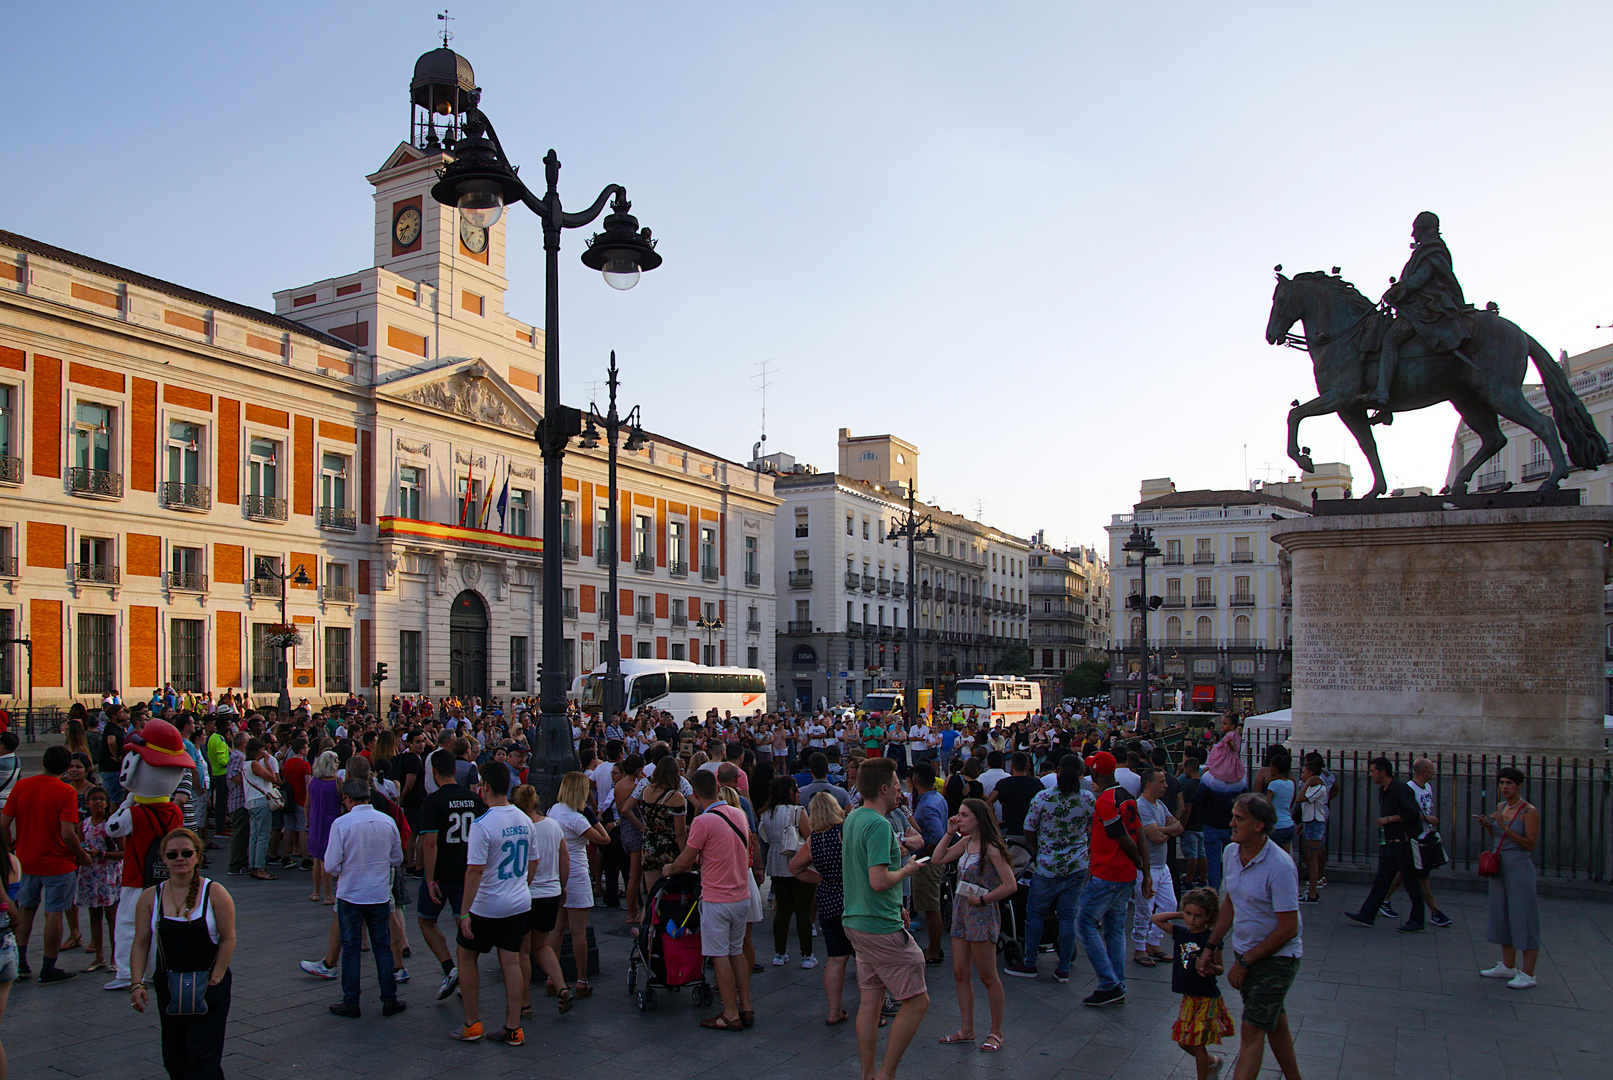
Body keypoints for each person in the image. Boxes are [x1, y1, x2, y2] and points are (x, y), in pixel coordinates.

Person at [1201, 794, 1304, 1080]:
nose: (1231, 823)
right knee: (1272, 1019)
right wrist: (1212, 944)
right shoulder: (1231, 853)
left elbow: (1288, 928)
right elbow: (1230, 902)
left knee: (1252, 1029)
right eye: (1233, 815)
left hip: (1277, 958)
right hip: (1246, 952)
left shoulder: (1280, 866)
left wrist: (1245, 962)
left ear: (1259, 826)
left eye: (1239, 818)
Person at [841, 757, 930, 1080]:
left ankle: (868, 1074)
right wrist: (908, 869)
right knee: (917, 1001)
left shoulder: (853, 818)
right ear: (883, 789)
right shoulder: (879, 825)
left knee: (871, 1001)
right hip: (879, 926)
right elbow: (878, 880)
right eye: (895, 784)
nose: (899, 789)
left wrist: (897, 904)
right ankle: (885, 1074)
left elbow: (864, 876)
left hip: (856, 921)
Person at [128, 828, 237, 1080]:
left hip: (209, 985)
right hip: (169, 985)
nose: (180, 858)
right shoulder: (149, 897)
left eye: (187, 853)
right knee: (175, 1056)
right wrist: (136, 983)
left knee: (203, 1058)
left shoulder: (215, 892)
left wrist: (216, 978)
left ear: (197, 856)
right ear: (163, 859)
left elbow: (228, 939)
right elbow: (141, 942)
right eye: (173, 854)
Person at [666, 768, 755, 1032]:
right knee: (736, 950)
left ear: (694, 793)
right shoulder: (738, 813)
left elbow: (686, 860)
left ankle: (729, 1013)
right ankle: (746, 1006)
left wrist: (669, 869)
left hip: (717, 897)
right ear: (718, 787)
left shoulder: (704, 821)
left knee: (719, 955)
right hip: (741, 895)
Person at [451, 761, 532, 1045]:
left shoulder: (483, 824)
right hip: (518, 900)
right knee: (511, 960)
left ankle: (472, 1023)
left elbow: (474, 870)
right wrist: (522, 885)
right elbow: (532, 862)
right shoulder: (524, 819)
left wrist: (464, 912)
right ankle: (513, 1027)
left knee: (467, 955)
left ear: (484, 786)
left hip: (488, 903)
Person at [1, 744, 91, 983]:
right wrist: (82, 856)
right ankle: (48, 966)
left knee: (26, 910)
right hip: (58, 862)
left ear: (43, 762)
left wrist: (11, 845)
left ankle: (20, 961)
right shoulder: (65, 792)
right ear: (64, 768)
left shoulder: (22, 786)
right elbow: (67, 834)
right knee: (54, 914)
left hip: (27, 859)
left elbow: (3, 824)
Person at [932, 798, 1015, 1053]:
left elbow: (1009, 884)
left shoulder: (991, 848)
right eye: (958, 814)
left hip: (980, 911)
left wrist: (983, 899)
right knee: (960, 971)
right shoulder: (966, 843)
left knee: (987, 975)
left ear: (978, 818)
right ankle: (966, 1029)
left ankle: (996, 1031)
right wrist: (948, 833)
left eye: (964, 815)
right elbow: (937, 859)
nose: (960, 819)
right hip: (961, 910)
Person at [1367, 210, 1467, 416]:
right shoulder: (1427, 250)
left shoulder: (1433, 249)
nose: (1413, 235)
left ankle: (1382, 393)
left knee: (1390, 340)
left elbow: (1422, 277)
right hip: (1417, 304)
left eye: (1416, 230)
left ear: (1426, 229)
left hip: (1427, 307)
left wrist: (1399, 290)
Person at [324, 778, 406, 1019]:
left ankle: (351, 1001)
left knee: (350, 949)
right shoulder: (387, 821)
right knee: (382, 947)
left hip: (351, 893)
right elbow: (397, 859)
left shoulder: (342, 824)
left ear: (348, 799)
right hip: (379, 893)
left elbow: (331, 864)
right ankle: (389, 998)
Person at [1007, 756, 1093, 981]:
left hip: (1047, 866)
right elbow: (1094, 826)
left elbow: (1029, 829)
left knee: (1035, 913)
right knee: (1067, 917)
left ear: (1057, 770)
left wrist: (1040, 847)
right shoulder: (1088, 799)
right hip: (1077, 867)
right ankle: (1063, 967)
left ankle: (1030, 962)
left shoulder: (1043, 798)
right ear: (1081, 772)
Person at [1075, 751, 1146, 1007]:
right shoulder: (1127, 796)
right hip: (1125, 875)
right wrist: (1142, 871)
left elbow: (1122, 837)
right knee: (1115, 929)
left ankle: (1108, 983)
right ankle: (1118, 983)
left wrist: (1138, 861)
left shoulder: (1105, 800)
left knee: (1084, 923)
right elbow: (1141, 834)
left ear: (1094, 773)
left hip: (1108, 873)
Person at [417, 749, 485, 1003]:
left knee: (426, 919)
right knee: (464, 923)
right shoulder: (473, 799)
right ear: (455, 770)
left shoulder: (433, 801)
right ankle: (466, 971)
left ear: (434, 772)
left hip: (442, 871)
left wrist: (430, 878)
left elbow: (430, 843)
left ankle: (450, 968)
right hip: (467, 870)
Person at [1151, 888, 1234, 1080]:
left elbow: (1220, 967)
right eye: (1189, 914)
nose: (1192, 920)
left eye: (1198, 916)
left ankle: (1204, 1075)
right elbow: (1157, 919)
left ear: (1208, 917)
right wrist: (1182, 913)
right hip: (1189, 996)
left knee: (1197, 1043)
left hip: (1206, 996)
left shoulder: (1211, 939)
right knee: (1184, 1041)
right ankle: (1211, 1063)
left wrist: (1212, 968)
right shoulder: (1180, 932)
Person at [788, 792, 852, 1024]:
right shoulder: (844, 833)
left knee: (835, 958)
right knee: (864, 959)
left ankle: (834, 1011)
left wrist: (822, 879)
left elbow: (795, 868)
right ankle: (872, 1012)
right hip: (851, 901)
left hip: (827, 901)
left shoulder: (813, 840)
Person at [510, 784, 573, 1017]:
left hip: (526, 894)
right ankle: (562, 987)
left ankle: (525, 1003)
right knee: (542, 945)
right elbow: (564, 858)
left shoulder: (517, 828)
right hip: (550, 892)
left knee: (523, 951)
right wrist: (562, 885)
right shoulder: (552, 825)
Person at [1344, 757, 1426, 933]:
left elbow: (1412, 813)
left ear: (1382, 772)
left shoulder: (1400, 789)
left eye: (1373, 771)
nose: (1370, 774)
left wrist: (1389, 819)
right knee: (1381, 881)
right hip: (1389, 843)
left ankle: (1418, 920)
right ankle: (1367, 914)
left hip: (1403, 843)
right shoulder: (1384, 790)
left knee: (1411, 882)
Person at [546, 772, 609, 1000]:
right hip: (577, 872)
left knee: (557, 928)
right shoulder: (577, 818)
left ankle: (552, 978)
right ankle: (581, 980)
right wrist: (592, 816)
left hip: (557, 872)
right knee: (578, 931)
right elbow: (604, 839)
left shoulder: (554, 810)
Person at [1477, 766, 1540, 989]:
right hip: (1499, 865)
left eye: (1509, 784)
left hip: (1519, 866)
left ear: (1519, 785)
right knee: (1501, 912)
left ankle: (1529, 973)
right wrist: (1489, 826)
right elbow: (1498, 836)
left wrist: (1504, 826)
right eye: (1502, 783)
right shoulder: (1501, 806)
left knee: (1523, 916)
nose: (1505, 787)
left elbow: (1529, 844)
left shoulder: (1528, 811)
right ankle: (1508, 965)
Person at [759, 776, 813, 968]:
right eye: (795, 789)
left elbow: (764, 839)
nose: (798, 792)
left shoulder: (766, 814)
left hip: (776, 863)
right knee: (803, 911)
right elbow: (809, 838)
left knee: (782, 910)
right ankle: (807, 954)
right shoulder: (798, 812)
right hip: (799, 863)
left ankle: (779, 953)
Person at [1133, 767, 1184, 967]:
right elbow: (1156, 837)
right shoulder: (1142, 806)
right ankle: (1139, 947)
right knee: (1144, 908)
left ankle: (1153, 941)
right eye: (1162, 782)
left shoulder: (1160, 805)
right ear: (1149, 784)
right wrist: (1164, 832)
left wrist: (1161, 830)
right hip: (1149, 867)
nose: (1166, 785)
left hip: (1162, 867)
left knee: (1170, 905)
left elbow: (1176, 828)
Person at [906, 762, 948, 966]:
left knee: (931, 906)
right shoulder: (937, 797)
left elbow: (938, 835)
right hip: (933, 859)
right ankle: (934, 947)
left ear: (914, 781)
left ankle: (934, 949)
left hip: (929, 861)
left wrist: (927, 853)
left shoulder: (927, 805)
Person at [629, 757, 688, 897]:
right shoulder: (675, 797)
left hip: (649, 844)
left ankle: (652, 918)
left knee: (653, 894)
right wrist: (686, 855)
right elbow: (679, 833)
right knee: (674, 894)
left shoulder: (645, 791)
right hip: (669, 845)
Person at [78, 788, 122, 972]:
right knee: (94, 915)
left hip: (108, 873)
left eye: (101, 799)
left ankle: (114, 957)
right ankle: (98, 957)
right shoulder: (83, 825)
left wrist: (102, 853)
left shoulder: (112, 825)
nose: (97, 802)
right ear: (87, 802)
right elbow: (79, 845)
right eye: (93, 799)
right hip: (90, 873)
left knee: (112, 916)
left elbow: (124, 852)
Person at [241, 739, 278, 881]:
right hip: (261, 801)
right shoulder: (254, 764)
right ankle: (260, 867)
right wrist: (268, 763)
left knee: (254, 835)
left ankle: (253, 865)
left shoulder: (245, 765)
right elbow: (272, 777)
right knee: (263, 835)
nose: (265, 752)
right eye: (263, 749)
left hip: (250, 801)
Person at [985, 752, 1042, 837]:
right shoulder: (1036, 783)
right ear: (1028, 766)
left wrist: (993, 822)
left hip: (1011, 830)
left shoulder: (1004, 783)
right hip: (1032, 829)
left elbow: (989, 801)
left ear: (1011, 766)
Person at [1177, 752, 1207, 890]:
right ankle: (1202, 879)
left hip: (1191, 825)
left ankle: (1188, 881)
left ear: (1189, 769)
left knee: (1191, 855)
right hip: (1202, 823)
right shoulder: (1205, 785)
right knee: (1202, 854)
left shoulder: (1189, 787)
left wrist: (1182, 825)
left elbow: (1187, 808)